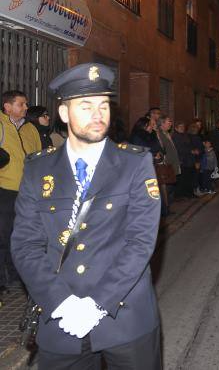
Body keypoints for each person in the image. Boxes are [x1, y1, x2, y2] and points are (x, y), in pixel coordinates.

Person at [11, 63, 161, 368]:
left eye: (104, 105)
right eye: (86, 106)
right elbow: (26, 245)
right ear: (64, 113)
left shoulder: (134, 163)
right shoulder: (38, 169)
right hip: (61, 321)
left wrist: (97, 305)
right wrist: (62, 303)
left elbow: (140, 241)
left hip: (125, 316)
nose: (98, 114)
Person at [0, 90, 42, 297]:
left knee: (24, 235)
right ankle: (2, 279)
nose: (26, 108)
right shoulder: (1, 125)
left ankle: (18, 275)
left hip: (28, 192)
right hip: (5, 190)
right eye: (21, 104)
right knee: (3, 235)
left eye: (26, 104)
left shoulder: (30, 129)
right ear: (8, 107)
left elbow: (39, 157)